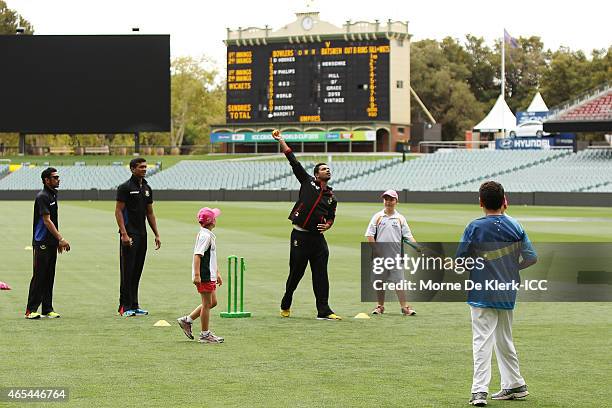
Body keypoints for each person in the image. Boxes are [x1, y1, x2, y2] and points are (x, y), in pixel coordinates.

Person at [457, 181, 537, 407]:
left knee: (482, 340)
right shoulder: (516, 225)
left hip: (482, 293)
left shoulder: (474, 227)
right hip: (507, 291)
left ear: (480, 202)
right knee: (504, 338)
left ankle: (479, 391)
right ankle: (515, 384)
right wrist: (511, 269)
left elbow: (461, 262)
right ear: (505, 201)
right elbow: (531, 257)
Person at [271, 129, 341, 321]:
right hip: (300, 237)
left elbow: (331, 217)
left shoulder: (331, 197)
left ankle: (324, 310)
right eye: (324, 168)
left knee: (321, 275)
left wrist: (328, 226)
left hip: (318, 240)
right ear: (316, 174)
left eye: (329, 169)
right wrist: (281, 140)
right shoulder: (307, 182)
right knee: (296, 274)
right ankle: (286, 302)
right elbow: (292, 160)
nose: (328, 170)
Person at [115, 158, 161, 317]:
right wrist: (124, 234)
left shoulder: (147, 188)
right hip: (130, 234)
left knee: (137, 271)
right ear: (132, 169)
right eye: (141, 167)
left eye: (145, 167)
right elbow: (118, 211)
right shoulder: (125, 187)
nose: (144, 169)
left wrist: (156, 233)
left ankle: (134, 305)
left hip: (142, 234)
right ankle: (124, 306)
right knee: (127, 271)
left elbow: (150, 213)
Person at [25, 167, 70, 319]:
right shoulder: (43, 196)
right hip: (41, 242)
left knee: (50, 275)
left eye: (58, 177)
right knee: (39, 276)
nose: (58, 179)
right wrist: (61, 239)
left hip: (50, 242)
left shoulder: (52, 194)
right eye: (55, 177)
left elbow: (54, 220)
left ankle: (47, 308)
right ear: (47, 180)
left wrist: (56, 241)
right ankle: (30, 310)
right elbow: (46, 221)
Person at [365, 189, 417, 316]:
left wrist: (417, 246)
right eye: (386, 199)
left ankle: (404, 308)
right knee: (380, 282)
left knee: (399, 282)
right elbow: (370, 235)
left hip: (395, 256)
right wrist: (377, 251)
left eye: (391, 199)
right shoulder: (377, 217)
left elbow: (408, 236)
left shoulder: (400, 218)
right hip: (379, 257)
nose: (388, 202)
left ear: (396, 201)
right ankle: (380, 306)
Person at [177, 207, 224, 344]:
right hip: (204, 275)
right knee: (206, 304)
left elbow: (211, 257)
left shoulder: (208, 234)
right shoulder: (205, 236)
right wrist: (197, 275)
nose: (216, 219)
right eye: (214, 217)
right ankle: (205, 334)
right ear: (211, 221)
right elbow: (198, 255)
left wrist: (217, 273)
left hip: (209, 274)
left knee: (212, 302)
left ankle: (187, 320)